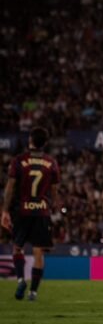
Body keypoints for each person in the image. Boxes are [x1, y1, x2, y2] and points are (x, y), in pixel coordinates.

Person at [2, 127, 60, 301]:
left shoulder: (19, 160)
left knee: (17, 247)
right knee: (38, 252)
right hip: (41, 211)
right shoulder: (51, 162)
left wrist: (5, 210)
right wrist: (55, 207)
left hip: (22, 210)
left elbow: (10, 188)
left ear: (30, 140)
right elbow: (54, 191)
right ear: (45, 143)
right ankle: (33, 292)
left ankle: (21, 280)